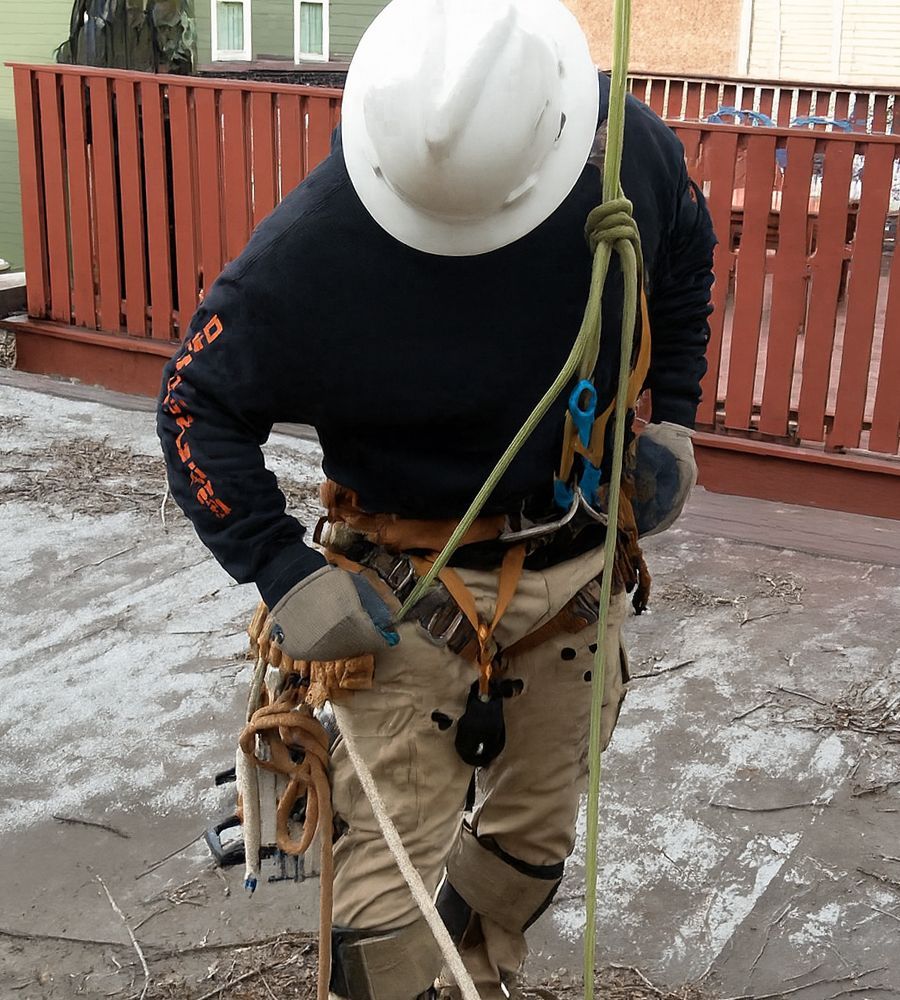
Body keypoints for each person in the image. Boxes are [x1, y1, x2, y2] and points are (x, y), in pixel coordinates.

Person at [157, 1, 716, 997]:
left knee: (530, 842)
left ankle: (476, 972)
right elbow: (193, 402)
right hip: (406, 594)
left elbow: (683, 262)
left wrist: (671, 414)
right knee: (383, 894)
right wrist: (282, 568)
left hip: (574, 574)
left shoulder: (625, 159)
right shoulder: (318, 245)